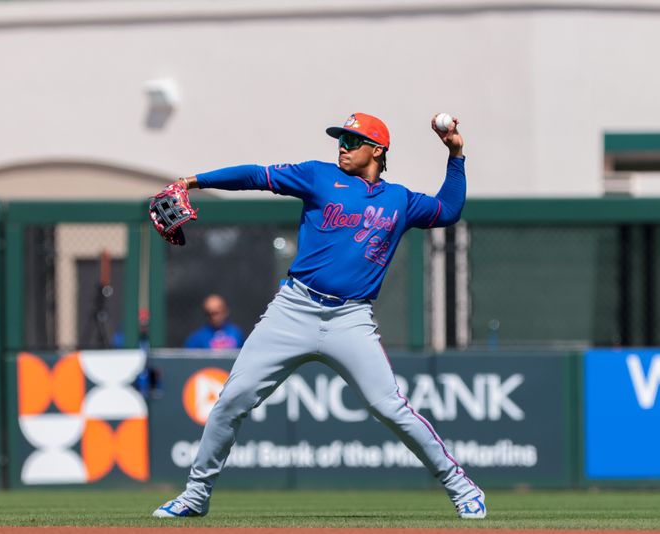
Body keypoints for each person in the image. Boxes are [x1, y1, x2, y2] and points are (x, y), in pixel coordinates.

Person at [153, 113, 486, 520]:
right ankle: (195, 495)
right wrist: (192, 182)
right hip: (293, 309)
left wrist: (455, 155)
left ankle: (462, 487)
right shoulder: (318, 176)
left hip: (351, 319)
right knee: (232, 400)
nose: (342, 146)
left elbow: (449, 210)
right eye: (341, 139)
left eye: (352, 140)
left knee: (390, 406)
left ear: (377, 150)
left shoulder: (399, 199)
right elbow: (256, 175)